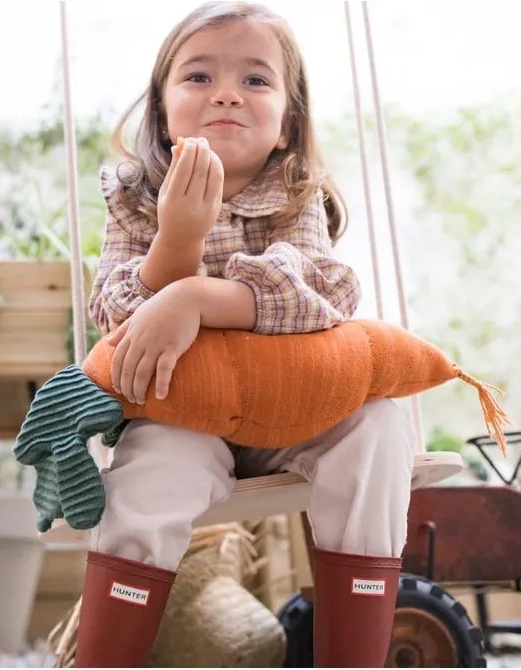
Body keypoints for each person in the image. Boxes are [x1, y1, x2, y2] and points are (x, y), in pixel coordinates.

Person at [78, 2, 414, 666]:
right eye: (198, 77)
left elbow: (317, 295)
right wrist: (177, 241)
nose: (226, 92)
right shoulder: (134, 198)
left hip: (295, 413)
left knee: (378, 425)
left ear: (287, 124)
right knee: (145, 480)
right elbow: (116, 316)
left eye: (255, 80)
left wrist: (196, 298)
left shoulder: (296, 196)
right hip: (182, 416)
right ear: (162, 110)